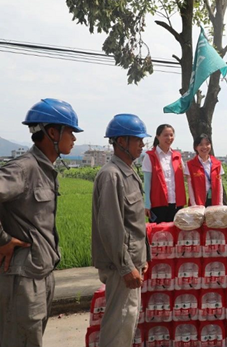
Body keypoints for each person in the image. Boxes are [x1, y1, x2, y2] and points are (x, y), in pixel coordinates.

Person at [0, 98, 82, 347]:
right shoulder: (24, 168)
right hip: (23, 278)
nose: (74, 138)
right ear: (52, 133)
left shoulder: (45, 169)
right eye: (70, 131)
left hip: (40, 273)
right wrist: (3, 240)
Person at [92, 114, 151, 347]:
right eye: (137, 139)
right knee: (119, 325)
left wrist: (143, 257)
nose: (142, 144)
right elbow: (111, 227)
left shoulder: (128, 171)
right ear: (121, 141)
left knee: (127, 321)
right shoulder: (111, 175)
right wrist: (126, 267)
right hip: (120, 267)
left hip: (130, 261)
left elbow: (134, 222)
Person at [142, 124, 189, 222]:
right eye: (165, 135)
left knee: (176, 230)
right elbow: (147, 183)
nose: (169, 138)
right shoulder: (150, 156)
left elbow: (185, 176)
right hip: (158, 204)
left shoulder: (177, 156)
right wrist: (147, 204)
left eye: (171, 135)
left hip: (176, 203)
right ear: (157, 136)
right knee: (159, 231)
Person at [187, 134, 224, 206]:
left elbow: (220, 185)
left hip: (214, 200)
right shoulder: (190, 165)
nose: (204, 147)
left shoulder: (217, 163)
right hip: (198, 201)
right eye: (201, 144)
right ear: (196, 147)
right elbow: (190, 187)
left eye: (207, 144)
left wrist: (220, 203)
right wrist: (193, 204)